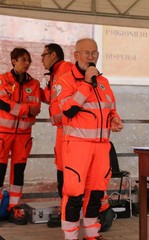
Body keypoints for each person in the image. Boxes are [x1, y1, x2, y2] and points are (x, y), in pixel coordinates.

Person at [57, 38, 123, 240]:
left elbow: (110, 109)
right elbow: (67, 110)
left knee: (96, 193)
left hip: (102, 147)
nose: (91, 57)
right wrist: (86, 83)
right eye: (86, 53)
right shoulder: (65, 81)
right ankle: (70, 237)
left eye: (94, 53)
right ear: (76, 56)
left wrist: (114, 119)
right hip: (77, 146)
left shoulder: (103, 82)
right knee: (74, 193)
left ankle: (92, 235)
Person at [0, 47, 41, 225]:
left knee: (18, 173)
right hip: (3, 134)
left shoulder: (35, 84)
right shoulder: (2, 80)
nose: (27, 63)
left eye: (28, 60)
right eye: (23, 60)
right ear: (14, 61)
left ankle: (13, 208)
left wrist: (16, 108)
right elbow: (3, 103)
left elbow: (37, 108)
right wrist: (25, 109)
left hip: (23, 136)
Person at [40, 43, 73, 228]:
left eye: (44, 55)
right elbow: (50, 98)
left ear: (53, 55)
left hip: (70, 130)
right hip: (61, 130)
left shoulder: (67, 68)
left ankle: (72, 211)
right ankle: (65, 210)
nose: (42, 59)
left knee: (70, 172)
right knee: (62, 170)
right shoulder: (54, 75)